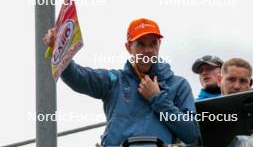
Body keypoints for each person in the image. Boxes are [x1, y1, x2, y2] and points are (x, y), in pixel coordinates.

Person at [43, 18, 199, 146]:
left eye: (153, 43)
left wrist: (157, 98)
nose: (148, 50)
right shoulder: (114, 80)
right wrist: (59, 49)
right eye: (141, 44)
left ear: (160, 45)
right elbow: (77, 77)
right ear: (129, 47)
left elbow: (192, 134)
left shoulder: (179, 85)